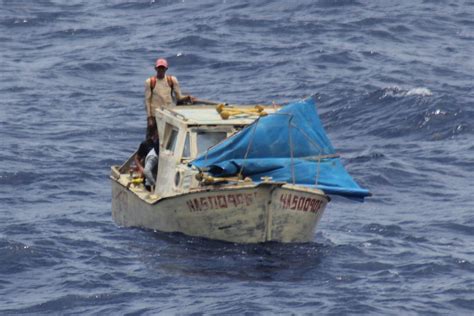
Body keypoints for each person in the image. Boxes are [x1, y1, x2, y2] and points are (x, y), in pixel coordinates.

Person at [145, 58, 196, 127]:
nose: (161, 70)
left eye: (163, 68)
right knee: (153, 137)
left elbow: (179, 97)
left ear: (166, 69)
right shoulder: (150, 82)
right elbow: (147, 101)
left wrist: (187, 97)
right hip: (155, 116)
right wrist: (149, 118)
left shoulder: (172, 80)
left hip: (169, 115)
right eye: (159, 68)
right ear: (155, 69)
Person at [134, 121, 160, 190]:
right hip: (149, 176)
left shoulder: (161, 143)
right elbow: (137, 159)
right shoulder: (146, 144)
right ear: (155, 131)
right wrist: (141, 169)